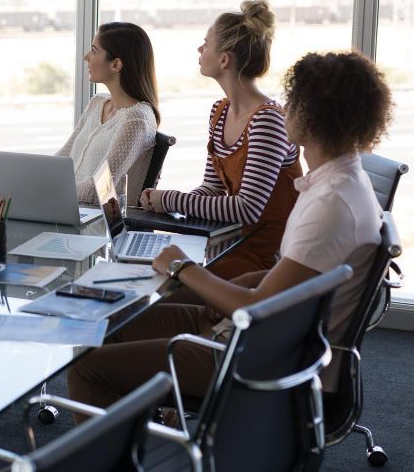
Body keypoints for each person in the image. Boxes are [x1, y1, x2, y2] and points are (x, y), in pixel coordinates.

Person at [68, 51, 393, 420]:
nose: (285, 109)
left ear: (313, 115)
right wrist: (194, 284)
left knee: (86, 369)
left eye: (293, 101)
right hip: (259, 335)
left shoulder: (330, 206)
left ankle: (135, 438)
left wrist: (183, 269)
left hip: (252, 355)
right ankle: (147, 435)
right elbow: (287, 278)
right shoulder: (340, 183)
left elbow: (253, 307)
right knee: (117, 317)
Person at [140, 0, 301, 279]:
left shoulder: (267, 120)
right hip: (227, 247)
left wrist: (171, 200)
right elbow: (212, 188)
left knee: (157, 288)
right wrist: (164, 203)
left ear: (224, 59)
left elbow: (247, 209)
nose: (199, 49)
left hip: (264, 263)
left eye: (206, 43)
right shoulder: (220, 111)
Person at [56, 22, 161, 205]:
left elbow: (100, 190)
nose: (86, 57)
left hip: (97, 218)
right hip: (70, 208)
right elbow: (64, 157)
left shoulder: (137, 119)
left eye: (94, 51)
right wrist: (30, 175)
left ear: (115, 64)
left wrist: (49, 189)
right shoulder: (98, 103)